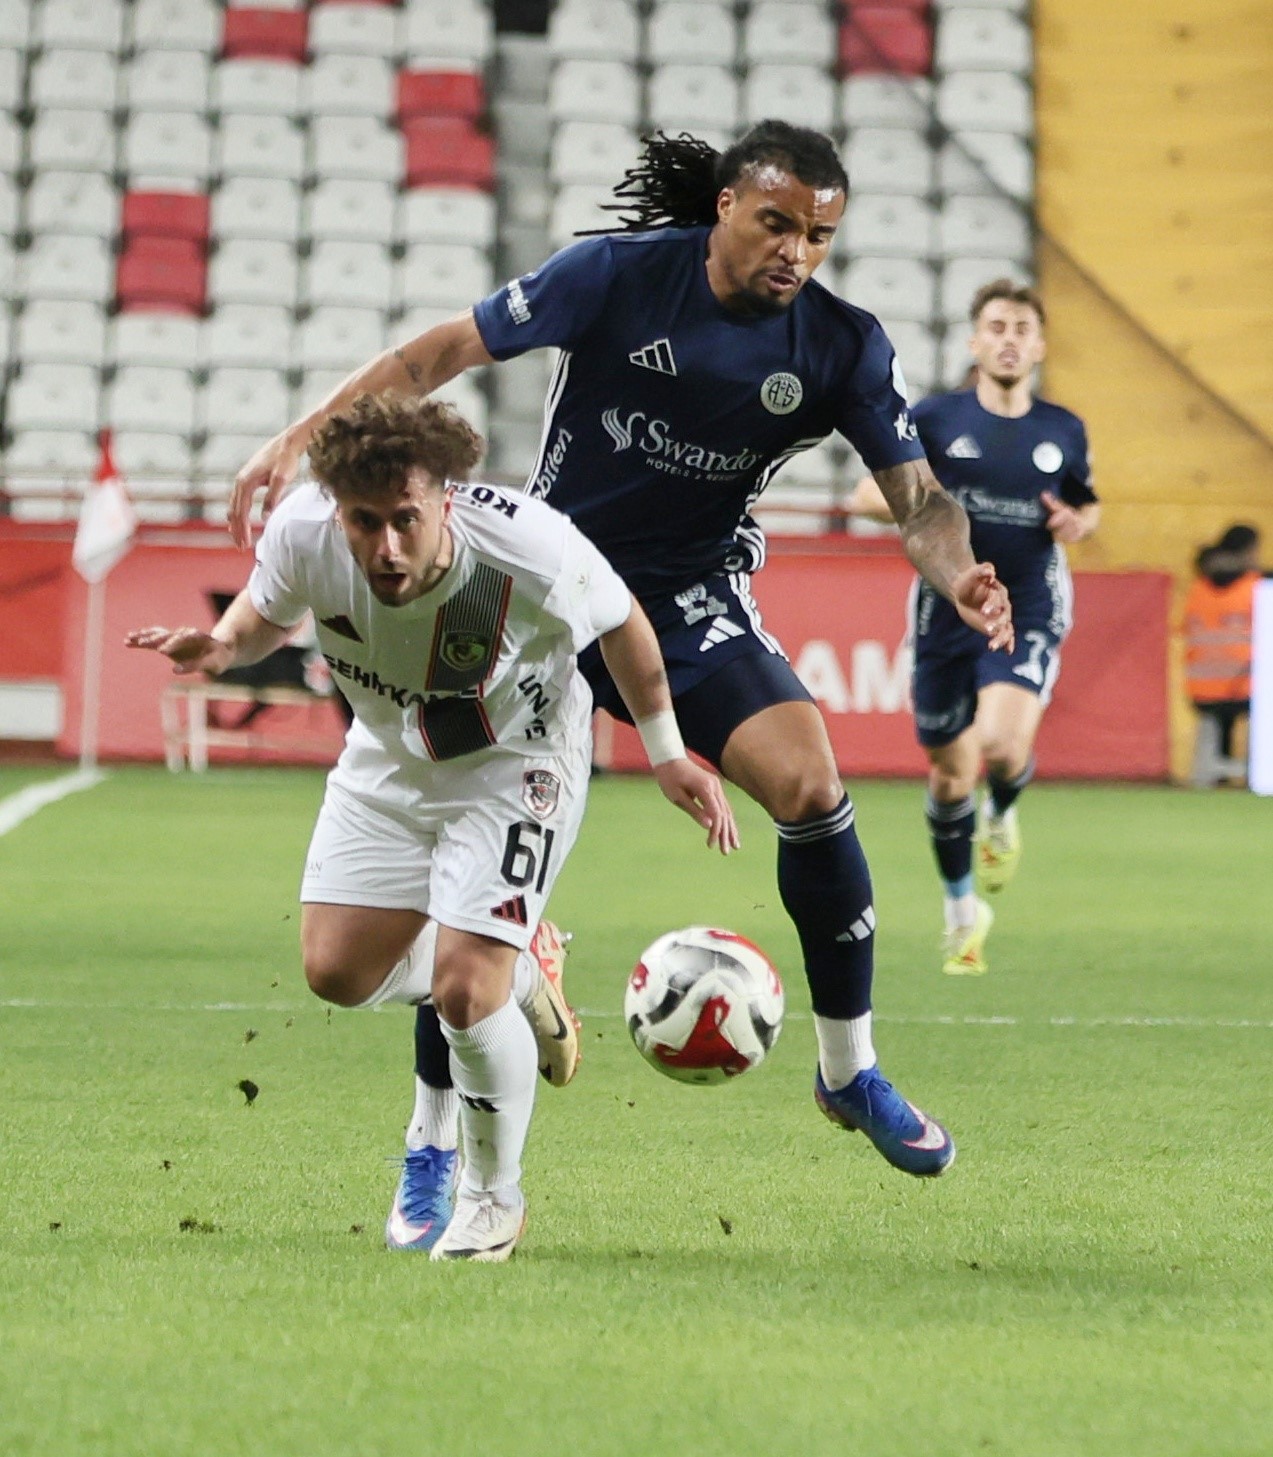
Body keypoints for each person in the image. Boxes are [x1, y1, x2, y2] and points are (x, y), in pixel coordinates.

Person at [231, 120, 1016, 1190]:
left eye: (819, 236)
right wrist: (306, 439)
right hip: (543, 596)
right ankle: (433, 1132)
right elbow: (440, 353)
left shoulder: (841, 345)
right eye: (776, 223)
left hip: (687, 599)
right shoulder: (614, 276)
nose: (795, 252)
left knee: (811, 784)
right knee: (467, 863)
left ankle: (849, 1070)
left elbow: (920, 503)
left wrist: (959, 573)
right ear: (726, 207)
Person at [129, 391, 737, 1261]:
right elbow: (266, 612)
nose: (385, 545)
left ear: (444, 500)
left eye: (404, 519)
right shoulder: (303, 530)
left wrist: (668, 752)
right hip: (390, 756)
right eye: (364, 521)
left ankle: (490, 1199)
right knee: (335, 972)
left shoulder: (526, 545)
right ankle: (519, 961)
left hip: (517, 762)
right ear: (337, 508)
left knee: (463, 988)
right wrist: (223, 645)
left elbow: (623, 623)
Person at [847, 279, 1099, 975]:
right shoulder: (934, 419)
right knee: (950, 772)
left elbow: (1085, 505)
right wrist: (920, 502)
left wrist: (1077, 521)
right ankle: (963, 912)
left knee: (998, 745)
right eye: (997, 327)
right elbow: (866, 493)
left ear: (1039, 346)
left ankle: (1004, 809)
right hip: (945, 605)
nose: (1009, 339)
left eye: (1022, 328)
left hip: (1030, 601)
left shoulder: (1063, 428)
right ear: (974, 341)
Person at [1183, 524, 1263, 786]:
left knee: (1218, 723)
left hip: (1202, 689)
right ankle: (1257, 773)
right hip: (1245, 687)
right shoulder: (1255, 586)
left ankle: (1216, 777)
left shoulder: (1199, 586)